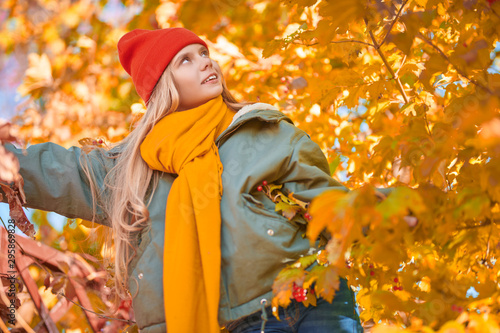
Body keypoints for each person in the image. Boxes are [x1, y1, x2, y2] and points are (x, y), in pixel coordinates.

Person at [2, 27, 364, 332]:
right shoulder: (130, 168)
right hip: (237, 324)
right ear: (163, 85)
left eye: (203, 53)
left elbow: (325, 200)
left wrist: (378, 211)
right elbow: (54, 170)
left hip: (314, 302)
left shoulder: (264, 130)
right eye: (185, 60)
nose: (205, 61)